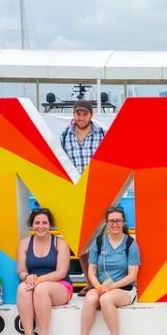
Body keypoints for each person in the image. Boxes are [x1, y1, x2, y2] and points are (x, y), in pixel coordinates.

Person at [77, 206, 140, 335]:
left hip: (123, 289)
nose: (115, 224)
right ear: (106, 224)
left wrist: (110, 288)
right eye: (111, 221)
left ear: (124, 223)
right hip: (101, 287)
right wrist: (98, 286)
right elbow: (91, 270)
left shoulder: (130, 244)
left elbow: (132, 276)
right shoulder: (99, 243)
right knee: (90, 298)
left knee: (105, 299)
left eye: (118, 221)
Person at [60, 99, 106, 293]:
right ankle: (89, 282)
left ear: (91, 115)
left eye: (84, 114)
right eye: (78, 114)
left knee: (100, 241)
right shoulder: (64, 136)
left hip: (97, 193)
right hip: (74, 194)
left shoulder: (102, 134)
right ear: (74, 115)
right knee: (81, 242)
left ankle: (101, 282)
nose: (81, 117)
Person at [16, 208, 72, 335]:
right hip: (33, 284)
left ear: (50, 224)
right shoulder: (24, 243)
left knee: (41, 289)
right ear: (32, 224)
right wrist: (27, 277)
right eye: (37, 222)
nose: (41, 226)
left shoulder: (60, 243)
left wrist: (38, 280)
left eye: (44, 223)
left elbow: (61, 272)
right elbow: (21, 270)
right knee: (22, 288)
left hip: (60, 286)